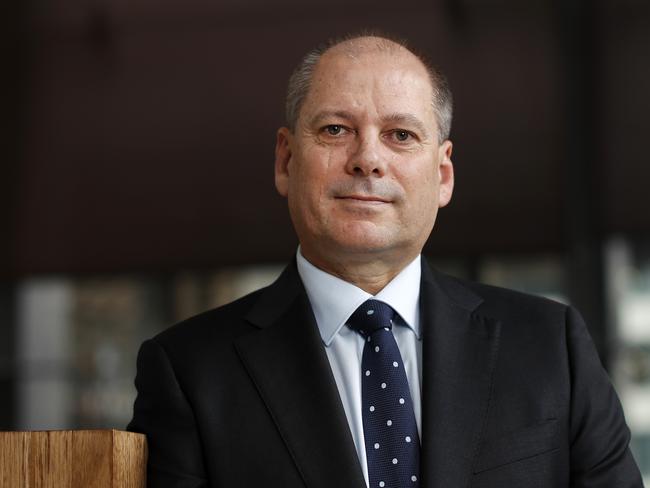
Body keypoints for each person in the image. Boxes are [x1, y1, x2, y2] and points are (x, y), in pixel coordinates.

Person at [128, 34, 643, 487]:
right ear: (286, 160)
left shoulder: (551, 347)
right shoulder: (189, 373)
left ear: (443, 175)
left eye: (400, 134)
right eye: (335, 129)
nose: (367, 158)